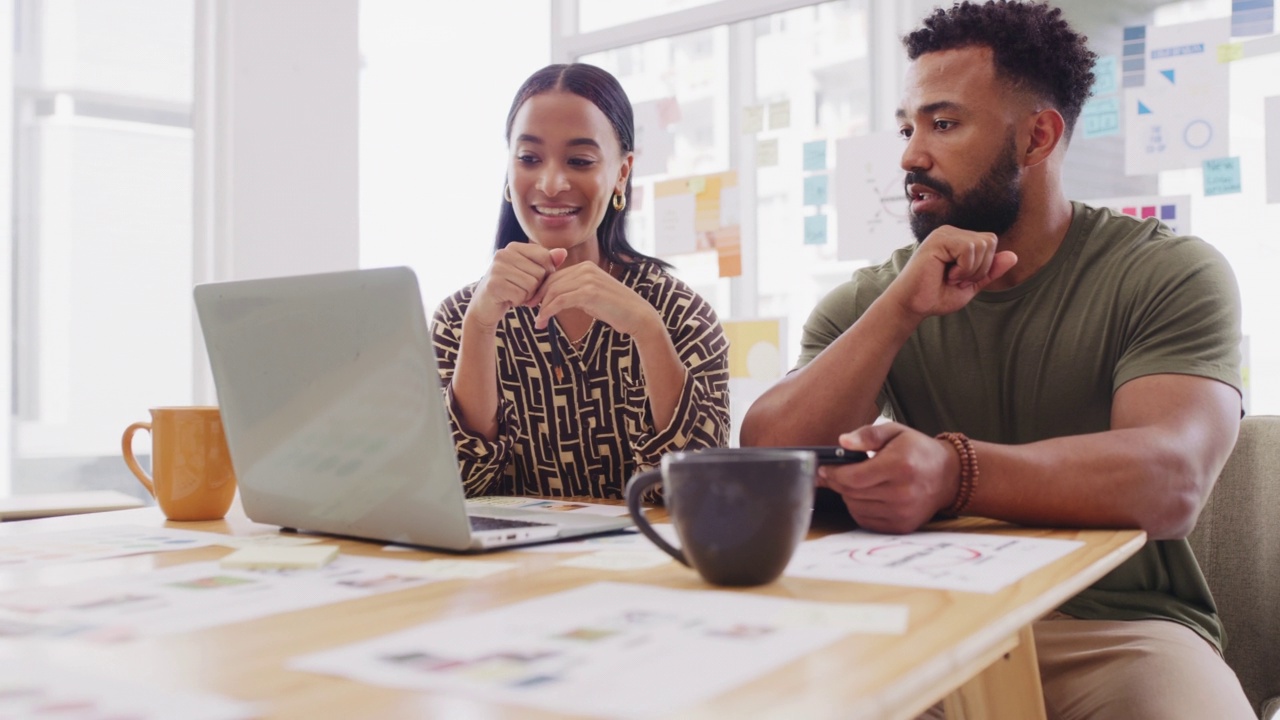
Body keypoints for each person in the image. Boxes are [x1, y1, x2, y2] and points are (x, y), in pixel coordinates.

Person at [740, 2, 1253, 718]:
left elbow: (1171, 479)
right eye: (907, 126)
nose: (910, 155)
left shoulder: (1168, 274)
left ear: (1038, 136)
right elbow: (768, 455)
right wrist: (899, 309)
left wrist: (954, 473)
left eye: (943, 124)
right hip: (919, 621)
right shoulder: (873, 299)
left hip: (1115, 628)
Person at [431, 63, 729, 500]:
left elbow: (703, 493)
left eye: (580, 161)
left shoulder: (679, 314)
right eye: (529, 158)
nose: (551, 183)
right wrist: (478, 327)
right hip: (508, 568)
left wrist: (647, 331)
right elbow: (450, 489)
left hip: (643, 567)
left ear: (622, 173)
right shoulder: (459, 318)